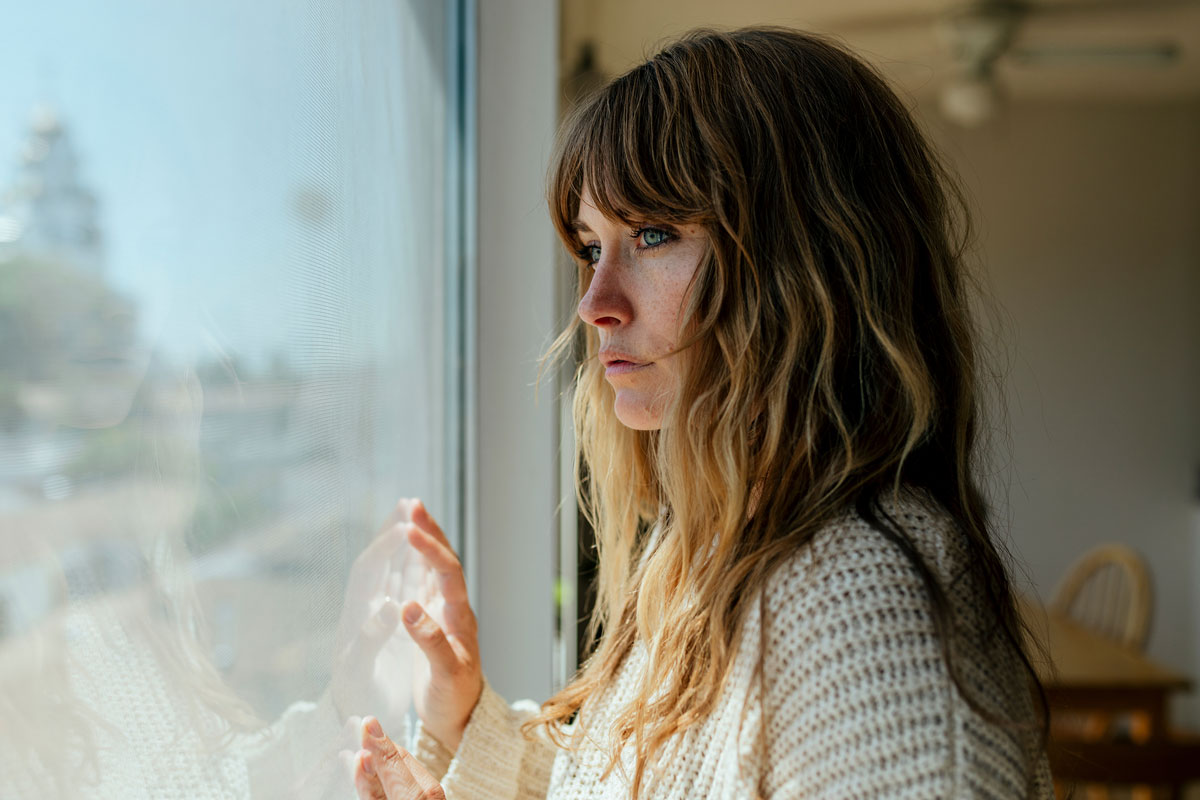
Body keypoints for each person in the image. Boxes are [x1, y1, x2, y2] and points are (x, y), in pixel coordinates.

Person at [351, 27, 1053, 799]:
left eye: (654, 234)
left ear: (807, 266)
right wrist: (465, 722)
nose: (594, 303)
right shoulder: (716, 551)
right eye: (592, 246)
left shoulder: (857, 615)